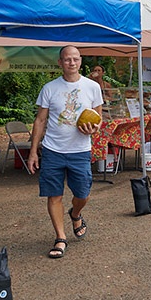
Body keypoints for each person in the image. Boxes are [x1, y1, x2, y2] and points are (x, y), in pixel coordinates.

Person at [27, 46, 103, 259]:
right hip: (53, 150)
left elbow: (98, 118)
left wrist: (94, 128)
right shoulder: (50, 88)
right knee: (54, 195)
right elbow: (40, 120)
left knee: (83, 194)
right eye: (67, 59)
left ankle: (76, 213)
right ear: (60, 63)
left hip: (80, 150)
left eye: (76, 59)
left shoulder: (92, 87)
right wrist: (34, 152)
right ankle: (60, 237)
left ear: (81, 61)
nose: (72, 63)